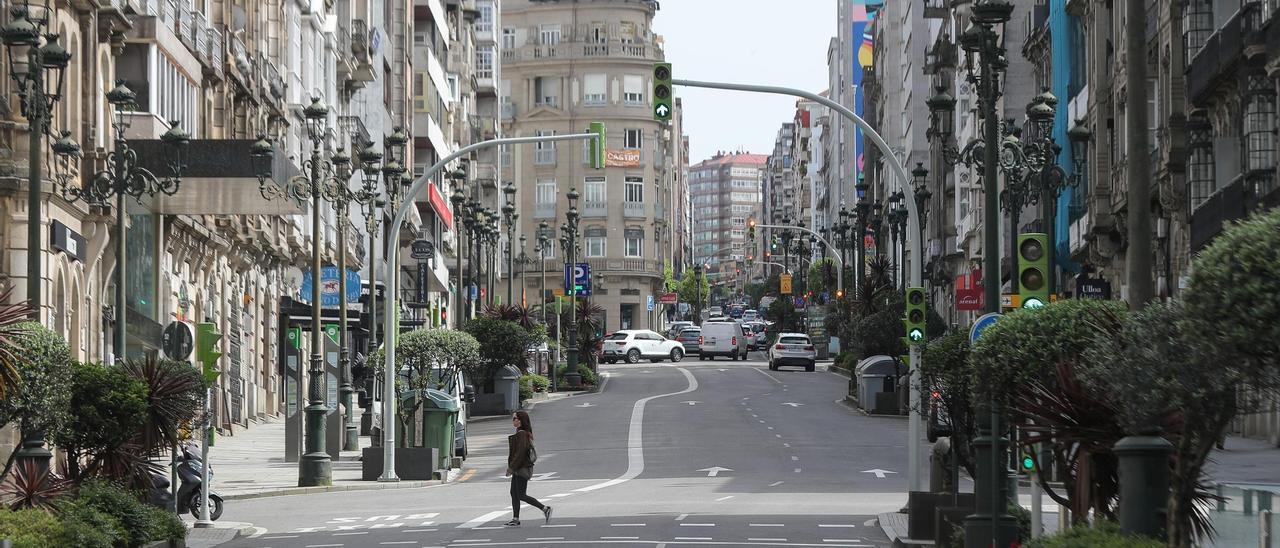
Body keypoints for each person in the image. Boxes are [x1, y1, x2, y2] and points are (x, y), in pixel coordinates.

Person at [505, 410, 551, 526]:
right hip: (519, 468)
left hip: (521, 468)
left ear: (520, 420)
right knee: (514, 493)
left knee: (521, 494)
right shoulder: (521, 432)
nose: (513, 420)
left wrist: (511, 468)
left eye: (514, 418)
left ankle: (545, 509)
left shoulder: (522, 434)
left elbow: (520, 453)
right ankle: (515, 518)